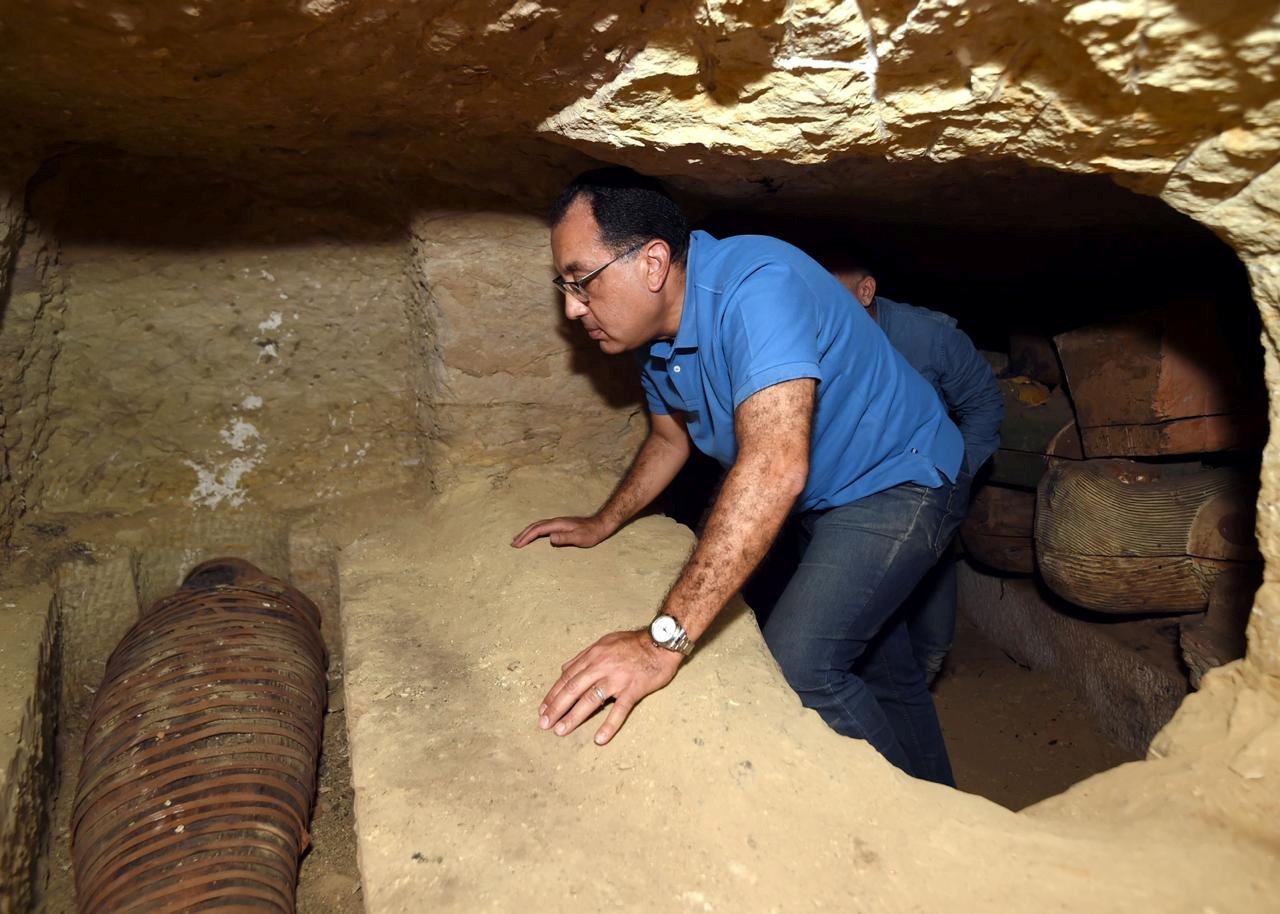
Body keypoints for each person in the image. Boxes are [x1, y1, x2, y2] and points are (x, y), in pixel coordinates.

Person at [511, 167, 967, 785]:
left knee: (805, 664)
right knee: (882, 668)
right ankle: (944, 797)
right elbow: (670, 439)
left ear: (652, 263)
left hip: (901, 477)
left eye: (581, 282)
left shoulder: (758, 287)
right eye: (562, 287)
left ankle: (925, 829)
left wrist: (659, 643)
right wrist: (602, 522)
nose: (571, 307)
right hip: (829, 496)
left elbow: (774, 465)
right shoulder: (660, 339)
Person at [831, 259, 1003, 684]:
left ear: (866, 291)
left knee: (928, 585)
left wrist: (956, 475)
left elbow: (984, 405)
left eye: (831, 293)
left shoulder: (929, 336)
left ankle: (924, 677)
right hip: (851, 490)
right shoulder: (813, 335)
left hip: (922, 484)